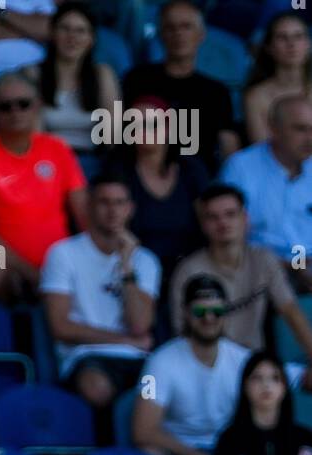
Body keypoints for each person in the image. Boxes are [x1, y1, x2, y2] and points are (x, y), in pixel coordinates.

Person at [0, 70, 88, 303]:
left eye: (23, 104)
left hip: (57, 259)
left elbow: (84, 213)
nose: (15, 112)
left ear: (37, 107)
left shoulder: (57, 149)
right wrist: (30, 272)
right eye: (5, 106)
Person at [40, 172, 160, 413]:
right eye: (104, 202)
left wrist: (126, 267)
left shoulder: (145, 260)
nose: (113, 210)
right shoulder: (63, 253)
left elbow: (139, 325)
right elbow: (60, 327)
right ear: (89, 206)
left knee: (156, 393)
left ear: (130, 208)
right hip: (86, 357)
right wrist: (124, 340)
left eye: (119, 203)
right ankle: (106, 449)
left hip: (136, 359)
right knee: (98, 389)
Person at [169, 185, 312, 376]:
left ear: (245, 218)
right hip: (206, 367)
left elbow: (291, 312)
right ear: (203, 224)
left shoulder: (264, 260)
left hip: (255, 366)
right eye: (213, 217)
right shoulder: (189, 270)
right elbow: (182, 334)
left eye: (230, 214)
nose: (223, 222)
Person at [133, 275, 252, 455]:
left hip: (230, 454)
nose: (209, 318)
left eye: (217, 311)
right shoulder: (159, 362)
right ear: (186, 313)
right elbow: (143, 431)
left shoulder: (243, 359)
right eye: (200, 311)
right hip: (179, 454)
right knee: (149, 453)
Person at [123, 0, 239, 172]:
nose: (178, 33)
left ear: (201, 34)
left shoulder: (216, 92)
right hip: (141, 173)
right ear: (160, 34)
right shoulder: (137, 80)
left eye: (186, 26)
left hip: (198, 178)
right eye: (170, 27)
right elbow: (120, 135)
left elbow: (228, 146)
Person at [219, 96, 312, 293]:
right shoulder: (241, 168)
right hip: (260, 272)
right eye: (300, 129)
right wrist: (294, 265)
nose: (310, 138)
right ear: (274, 129)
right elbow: (229, 236)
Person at [123, 96, 209, 279]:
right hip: (135, 265)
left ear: (168, 128)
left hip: (191, 266)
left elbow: (208, 218)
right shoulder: (118, 171)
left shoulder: (191, 169)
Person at [38, 2, 120, 157]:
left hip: (92, 160)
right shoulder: (34, 73)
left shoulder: (102, 74)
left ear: (91, 39)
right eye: (65, 28)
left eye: (80, 31)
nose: (72, 37)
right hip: (48, 161)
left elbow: (113, 136)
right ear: (52, 33)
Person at [244, 10, 312, 147]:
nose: (291, 44)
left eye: (298, 36)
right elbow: (262, 151)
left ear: (308, 44)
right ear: (269, 47)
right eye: (282, 37)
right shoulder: (256, 97)